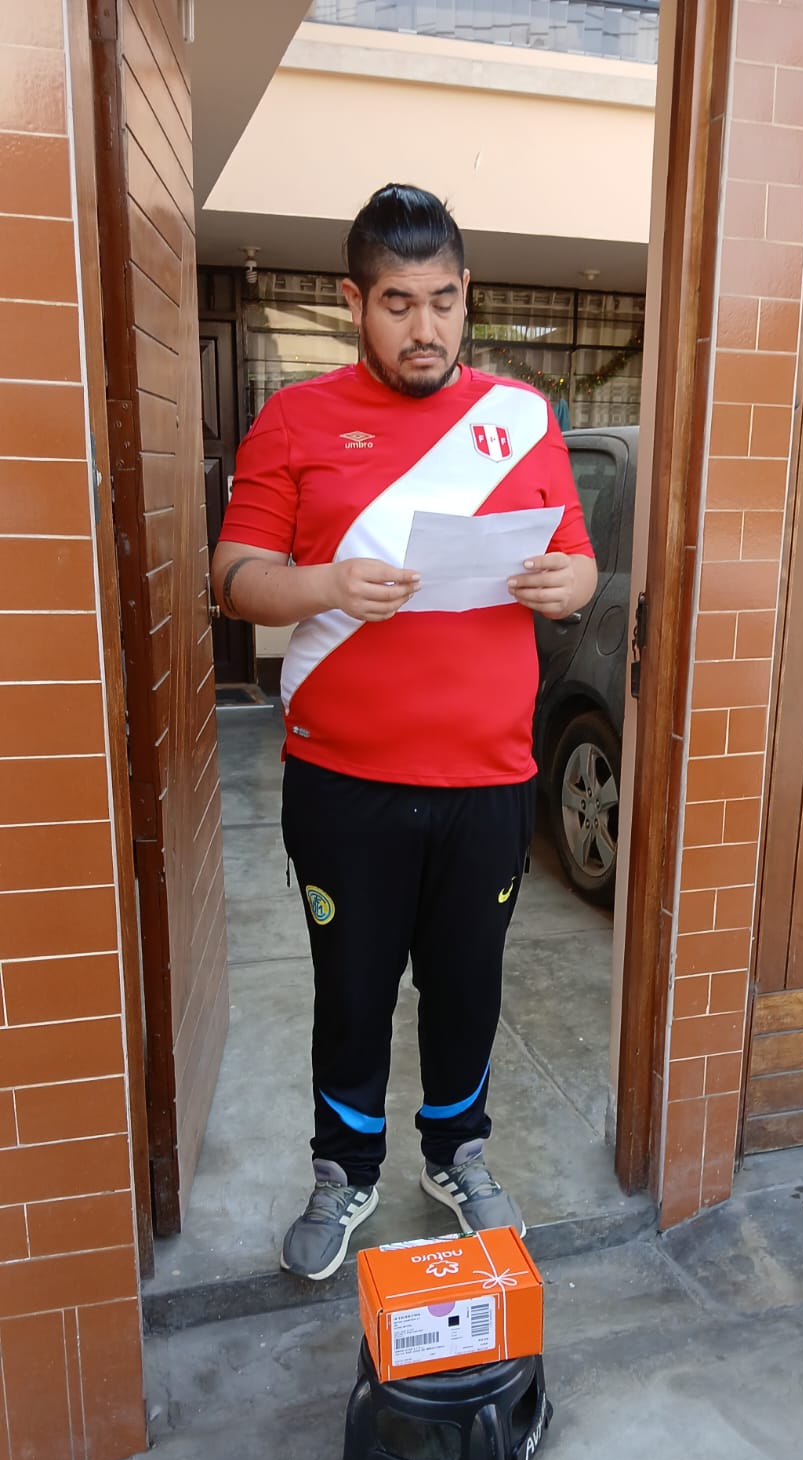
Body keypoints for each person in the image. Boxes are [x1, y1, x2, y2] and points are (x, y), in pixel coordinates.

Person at [212, 183, 597, 1281]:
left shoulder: (521, 418)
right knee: (352, 986)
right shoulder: (295, 420)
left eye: (441, 301)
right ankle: (345, 1168)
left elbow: (576, 563)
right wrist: (329, 582)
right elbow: (234, 578)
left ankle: (456, 1152)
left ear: (466, 292)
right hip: (344, 780)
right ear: (354, 302)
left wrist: (568, 582)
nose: (423, 328)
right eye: (396, 303)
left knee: (468, 984)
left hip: (488, 778)